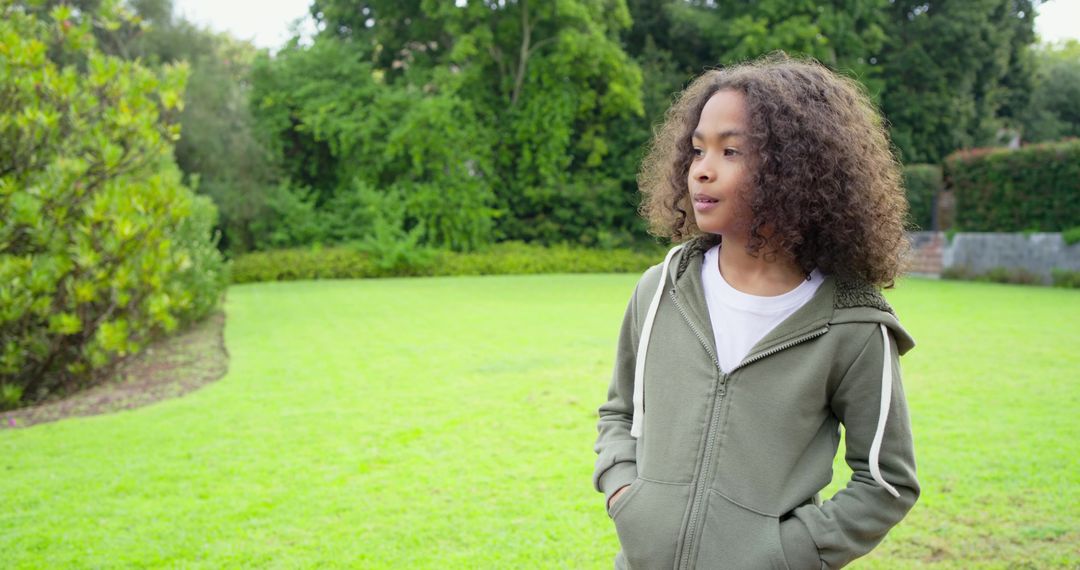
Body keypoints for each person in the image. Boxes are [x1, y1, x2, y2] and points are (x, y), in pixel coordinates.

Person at [592, 54, 920, 570]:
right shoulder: (659, 290)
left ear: (795, 169)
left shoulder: (854, 328)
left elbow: (887, 481)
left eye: (731, 151)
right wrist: (624, 492)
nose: (701, 168)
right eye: (697, 149)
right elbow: (619, 412)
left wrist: (785, 553)